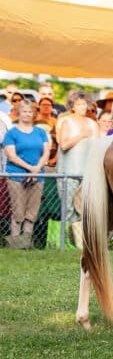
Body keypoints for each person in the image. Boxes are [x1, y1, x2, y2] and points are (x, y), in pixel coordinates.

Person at [3, 102, 52, 249]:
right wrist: (30, 168)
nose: (27, 114)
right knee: (18, 210)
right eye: (24, 111)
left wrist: (37, 169)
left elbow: (46, 152)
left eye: (30, 112)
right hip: (17, 176)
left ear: (33, 114)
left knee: (32, 210)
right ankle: (15, 242)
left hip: (37, 176)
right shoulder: (11, 133)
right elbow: (11, 155)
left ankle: (26, 242)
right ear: (19, 113)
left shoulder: (40, 132)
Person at [57, 91, 100, 244]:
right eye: (79, 104)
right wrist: (81, 135)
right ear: (72, 106)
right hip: (68, 172)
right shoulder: (67, 121)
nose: (82, 107)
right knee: (68, 209)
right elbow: (63, 145)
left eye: (84, 104)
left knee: (86, 209)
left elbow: (98, 147)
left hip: (88, 174)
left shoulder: (93, 124)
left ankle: (84, 242)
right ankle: (68, 243)